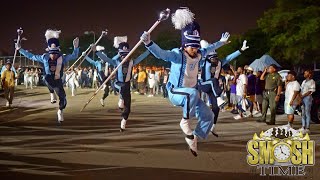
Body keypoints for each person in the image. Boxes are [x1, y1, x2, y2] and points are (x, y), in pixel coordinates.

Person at [140, 8, 230, 156]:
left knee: (209, 116)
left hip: (191, 96)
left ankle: (194, 138)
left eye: (196, 47)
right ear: (184, 45)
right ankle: (184, 122)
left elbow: (210, 48)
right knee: (193, 93)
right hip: (176, 92)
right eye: (191, 46)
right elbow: (162, 54)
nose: (194, 50)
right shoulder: (178, 55)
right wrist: (149, 43)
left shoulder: (200, 55)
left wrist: (221, 42)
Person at [17, 29, 80, 123]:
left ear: (58, 51)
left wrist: (75, 47)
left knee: (63, 99)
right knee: (46, 77)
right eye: (51, 53)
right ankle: (52, 93)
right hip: (49, 79)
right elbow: (31, 56)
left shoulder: (61, 58)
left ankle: (60, 111)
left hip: (58, 81)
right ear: (48, 51)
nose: (53, 55)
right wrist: (20, 49)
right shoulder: (44, 57)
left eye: (55, 53)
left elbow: (74, 56)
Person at [95, 36, 150, 132]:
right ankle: (121, 97)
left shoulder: (132, 62)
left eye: (126, 55)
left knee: (128, 108)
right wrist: (96, 52)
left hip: (127, 85)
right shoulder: (116, 62)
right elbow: (106, 58)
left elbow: (141, 57)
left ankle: (123, 123)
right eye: (122, 55)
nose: (124, 57)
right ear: (119, 55)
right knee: (122, 89)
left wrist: (149, 49)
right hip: (117, 84)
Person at [199, 39, 249, 136]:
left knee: (216, 108)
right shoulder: (204, 62)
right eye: (212, 58)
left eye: (215, 58)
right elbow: (197, 56)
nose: (214, 60)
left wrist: (241, 50)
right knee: (214, 80)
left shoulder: (220, 62)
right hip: (205, 85)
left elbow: (230, 57)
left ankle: (213, 127)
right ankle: (218, 98)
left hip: (213, 88)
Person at [299, 70, 316, 134]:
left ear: (309, 74)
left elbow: (310, 91)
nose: (304, 74)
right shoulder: (304, 81)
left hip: (307, 98)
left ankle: (307, 128)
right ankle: (303, 126)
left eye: (306, 73)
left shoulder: (312, 81)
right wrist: (300, 96)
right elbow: (301, 89)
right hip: (302, 97)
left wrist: (303, 95)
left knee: (307, 112)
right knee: (303, 113)